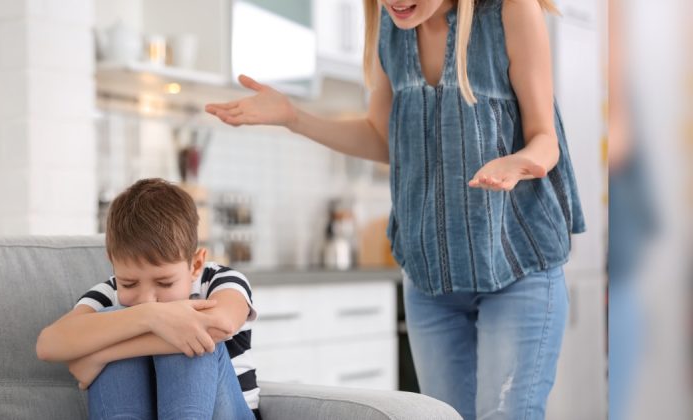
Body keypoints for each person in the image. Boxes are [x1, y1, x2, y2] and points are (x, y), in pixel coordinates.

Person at [205, 1, 585, 418]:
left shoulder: (511, 11)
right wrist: (293, 117)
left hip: (517, 264)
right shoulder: (392, 26)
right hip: (430, 278)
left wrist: (520, 162)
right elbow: (381, 137)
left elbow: (544, 138)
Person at [36, 178, 259, 420]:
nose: (147, 298)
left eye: (164, 283)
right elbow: (48, 345)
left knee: (192, 329)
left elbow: (220, 326)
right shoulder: (111, 293)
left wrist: (102, 354)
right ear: (113, 263)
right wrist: (149, 317)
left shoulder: (219, 279)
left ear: (195, 264)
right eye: (130, 283)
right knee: (111, 319)